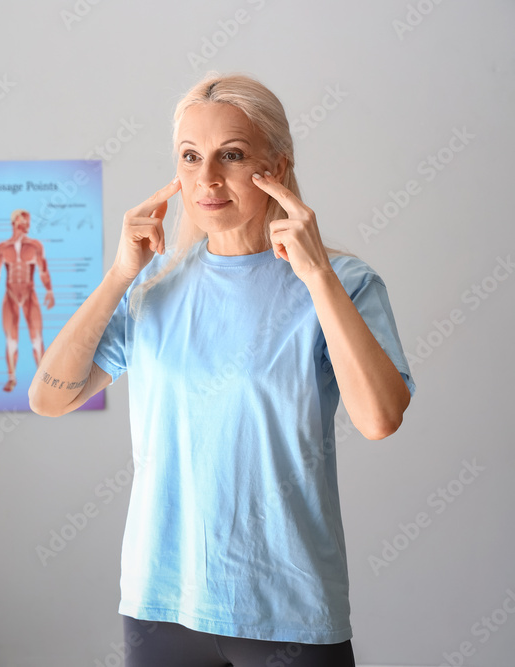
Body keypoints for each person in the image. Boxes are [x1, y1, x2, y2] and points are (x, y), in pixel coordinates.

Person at [27, 72, 415, 667]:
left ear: (277, 166)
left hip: (289, 608)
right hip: (160, 605)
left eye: (230, 155)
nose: (206, 179)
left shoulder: (346, 285)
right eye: (190, 158)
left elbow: (380, 418)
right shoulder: (153, 295)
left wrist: (317, 277)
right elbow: (48, 398)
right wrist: (118, 276)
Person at [0, 208, 55, 392]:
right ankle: (11, 378)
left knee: (37, 337)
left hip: (29, 293)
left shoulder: (35, 246)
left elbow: (43, 270)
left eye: (29, 221)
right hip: (10, 294)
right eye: (25, 220)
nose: (28, 224)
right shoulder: (2, 248)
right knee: (11, 339)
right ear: (16, 220)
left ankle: (43, 380)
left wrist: (49, 290)